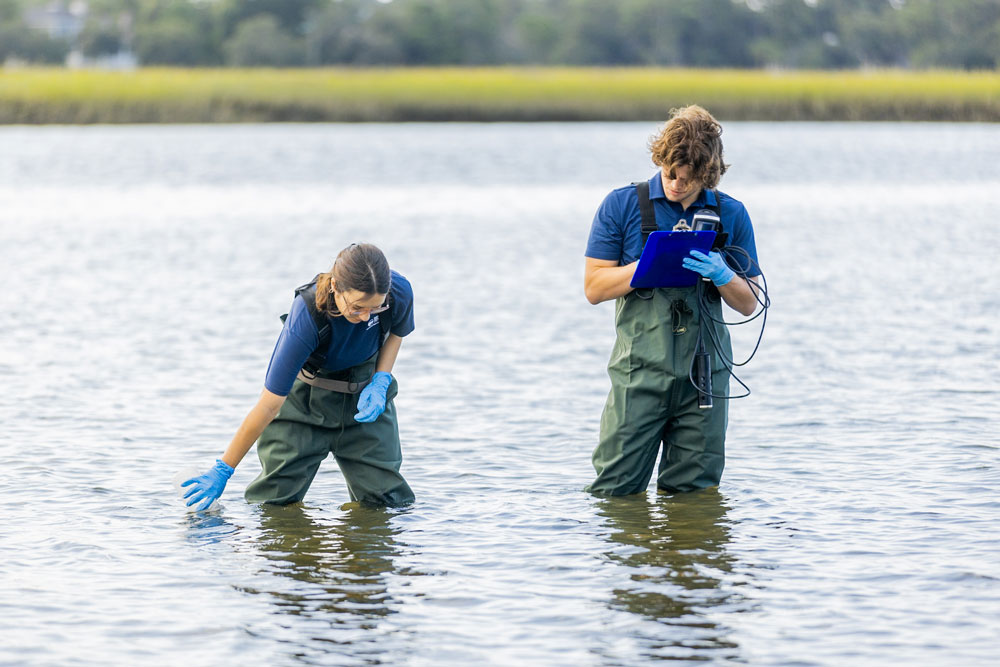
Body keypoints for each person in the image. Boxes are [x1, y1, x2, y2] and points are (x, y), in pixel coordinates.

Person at [583, 105, 762, 496]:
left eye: (689, 179)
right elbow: (594, 287)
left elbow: (750, 302)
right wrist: (645, 266)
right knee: (615, 491)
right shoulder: (621, 205)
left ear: (708, 175)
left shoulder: (731, 213)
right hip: (639, 374)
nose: (677, 185)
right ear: (660, 160)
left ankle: (689, 554)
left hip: (705, 377)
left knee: (695, 495)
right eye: (671, 174)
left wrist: (723, 273)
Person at [182, 243, 416, 510]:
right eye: (357, 308)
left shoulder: (398, 292)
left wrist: (381, 379)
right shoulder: (306, 314)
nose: (365, 317)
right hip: (303, 402)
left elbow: (397, 332)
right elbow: (269, 404)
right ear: (335, 288)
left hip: (365, 396)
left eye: (375, 308)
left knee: (388, 505)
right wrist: (224, 469)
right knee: (273, 505)